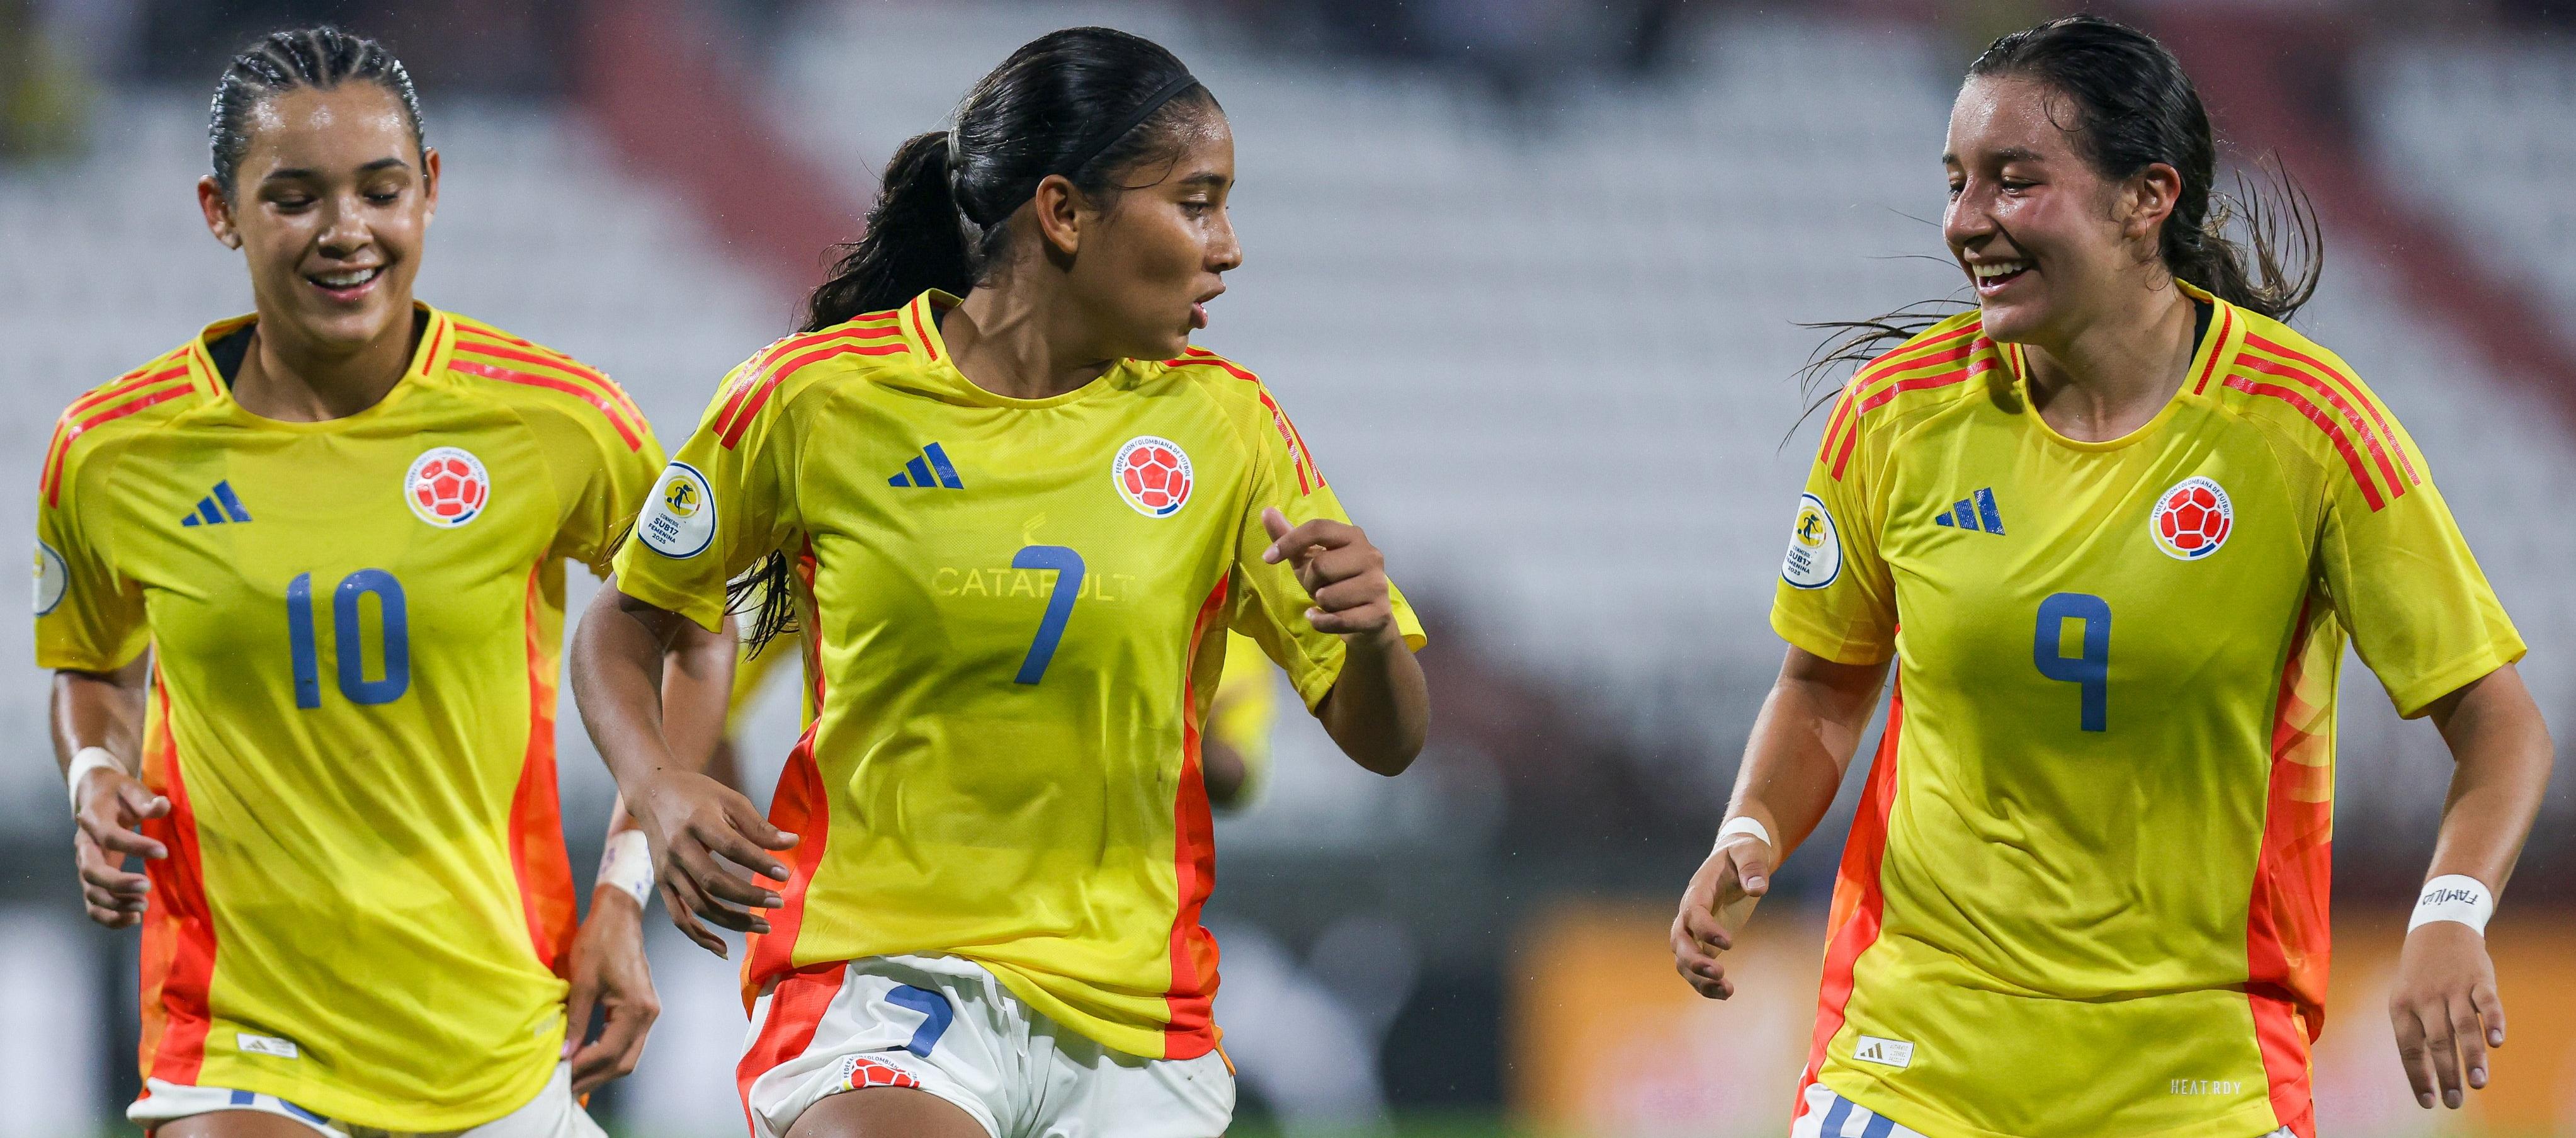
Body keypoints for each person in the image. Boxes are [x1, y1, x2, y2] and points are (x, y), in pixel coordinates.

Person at [1669, 16, 2550, 1138]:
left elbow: (2501, 726)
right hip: (1915, 1061)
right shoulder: (1896, 418)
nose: (1965, 222)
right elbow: (1821, 686)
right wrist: (1749, 832)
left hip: (2199, 1078)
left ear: (2149, 198)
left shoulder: (2306, 430)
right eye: (1956, 183)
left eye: (2014, 181)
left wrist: (2453, 912)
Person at [568, 26, 1429, 1138]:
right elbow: (625, 626)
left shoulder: (1228, 427)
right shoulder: (813, 401)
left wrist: (1365, 634)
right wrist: (655, 781)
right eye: (1198, 202)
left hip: (1133, 1017)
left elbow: (1389, 739)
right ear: (1065, 214)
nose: (1229, 247)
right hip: (880, 974)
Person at [40, 26, 731, 1137]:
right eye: (295, 197)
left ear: (432, 191)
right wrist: (92, 777)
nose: (345, 231)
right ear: (219, 210)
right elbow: (95, 665)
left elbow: (695, 629)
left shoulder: (558, 421)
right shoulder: (113, 452)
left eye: (380, 190)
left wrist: (625, 894)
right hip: (238, 1027)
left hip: (498, 1034)